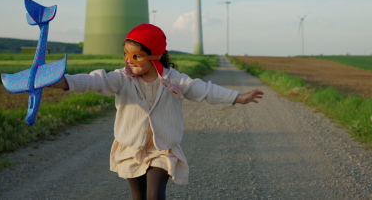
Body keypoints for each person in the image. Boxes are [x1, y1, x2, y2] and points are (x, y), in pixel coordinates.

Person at [49, 23, 263, 200]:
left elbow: (205, 90)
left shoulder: (175, 80)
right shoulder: (121, 78)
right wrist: (60, 81)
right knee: (139, 197)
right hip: (131, 147)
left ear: (155, 56)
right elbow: (94, 81)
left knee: (155, 195)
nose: (129, 61)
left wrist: (237, 97)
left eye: (137, 56)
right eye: (126, 54)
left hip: (163, 149)